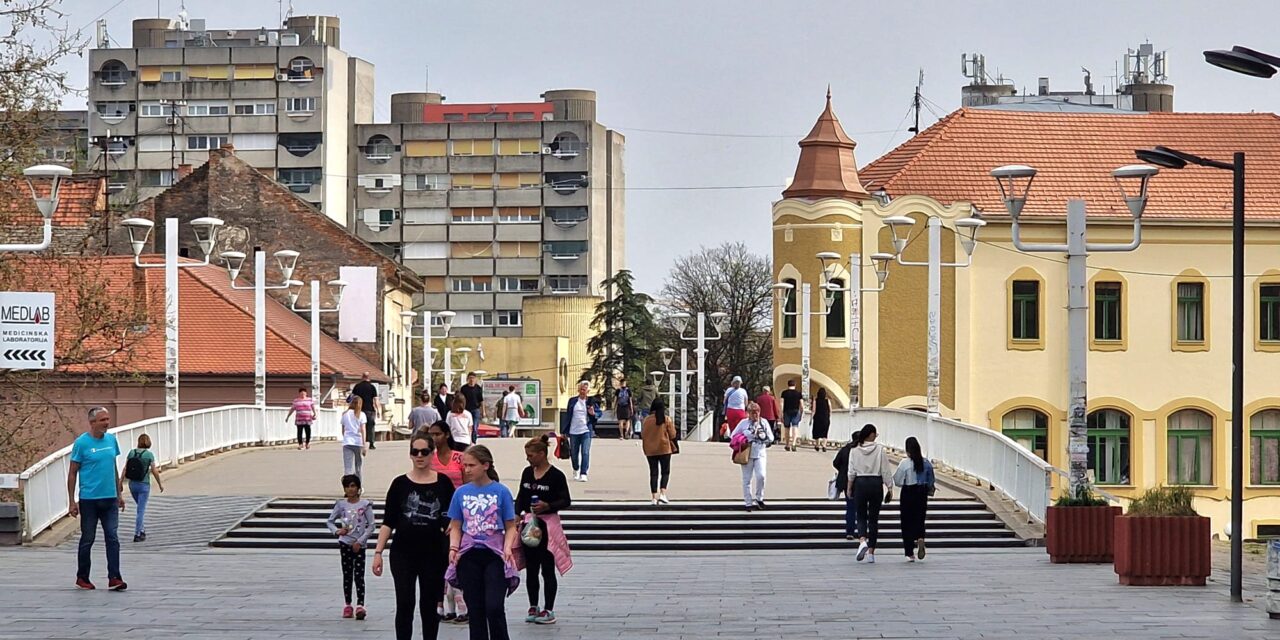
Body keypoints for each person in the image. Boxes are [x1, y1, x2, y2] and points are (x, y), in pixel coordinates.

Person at [372, 433, 457, 640]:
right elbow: (388, 521)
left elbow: (454, 519)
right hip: (403, 552)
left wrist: (454, 543)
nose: (419, 456)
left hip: (433, 553)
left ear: (432, 454)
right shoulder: (399, 484)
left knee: (429, 604)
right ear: (410, 454)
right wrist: (377, 552)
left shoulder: (444, 483)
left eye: (424, 452)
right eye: (415, 452)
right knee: (405, 603)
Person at [447, 445, 520, 640]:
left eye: (472, 465)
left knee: (494, 607)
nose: (467, 469)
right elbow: (455, 524)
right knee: (476, 610)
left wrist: (507, 547)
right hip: (469, 554)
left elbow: (511, 525)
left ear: (485, 465)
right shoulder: (461, 493)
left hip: (494, 553)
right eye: (465, 465)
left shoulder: (501, 491)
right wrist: (454, 547)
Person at [513, 435, 573, 625]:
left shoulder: (556, 476)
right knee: (531, 568)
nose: (528, 459)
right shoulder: (527, 473)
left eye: (531, 455)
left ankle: (549, 608)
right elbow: (521, 496)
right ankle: (533, 605)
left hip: (548, 525)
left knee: (547, 569)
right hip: (529, 525)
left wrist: (548, 505)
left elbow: (566, 500)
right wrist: (516, 514)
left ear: (541, 454)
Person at [67, 406, 126, 591]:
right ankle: (82, 577)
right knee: (88, 538)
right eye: (103, 420)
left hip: (109, 499)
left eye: (107, 419)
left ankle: (114, 577)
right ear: (92, 422)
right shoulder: (81, 444)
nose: (107, 423)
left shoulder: (111, 440)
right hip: (89, 499)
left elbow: (113, 467)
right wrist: (71, 501)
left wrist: (119, 493)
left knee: (112, 537)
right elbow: (72, 473)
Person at [424, 420, 467, 623]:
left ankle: (462, 605)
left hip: (459, 515)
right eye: (431, 434)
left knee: (456, 559)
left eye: (438, 434)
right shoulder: (428, 459)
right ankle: (441, 604)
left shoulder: (459, 458)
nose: (434, 438)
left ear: (447, 435)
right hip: (435, 515)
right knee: (437, 562)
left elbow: (468, 485)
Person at [327, 474, 376, 620]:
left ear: (358, 488)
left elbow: (371, 525)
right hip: (345, 543)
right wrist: (337, 531)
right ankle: (347, 604)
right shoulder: (341, 505)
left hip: (359, 545)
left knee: (359, 575)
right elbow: (330, 521)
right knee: (347, 574)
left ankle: (360, 604)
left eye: (353, 486)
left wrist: (360, 541)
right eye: (348, 486)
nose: (351, 489)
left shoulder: (365, 505)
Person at [846, 424, 894, 564]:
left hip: (860, 483)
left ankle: (862, 541)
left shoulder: (854, 449)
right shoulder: (879, 449)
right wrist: (889, 487)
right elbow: (885, 470)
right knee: (873, 519)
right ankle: (871, 552)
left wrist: (849, 488)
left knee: (860, 515)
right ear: (871, 435)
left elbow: (851, 471)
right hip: (875, 483)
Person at [894, 436, 936, 562]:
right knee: (919, 518)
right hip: (921, 493)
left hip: (908, 492)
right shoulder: (926, 463)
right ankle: (920, 537)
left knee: (906, 522)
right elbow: (931, 481)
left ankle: (909, 552)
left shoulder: (904, 463)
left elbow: (897, 480)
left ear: (907, 450)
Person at [730, 402, 774, 512]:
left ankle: (759, 497)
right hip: (747, 452)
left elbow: (771, 437)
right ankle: (748, 502)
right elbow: (733, 435)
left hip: (760, 452)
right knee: (747, 479)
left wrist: (763, 438)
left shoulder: (763, 422)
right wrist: (744, 437)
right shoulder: (743, 423)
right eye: (753, 412)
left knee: (761, 476)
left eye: (757, 412)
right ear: (748, 413)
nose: (755, 415)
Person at [121, 433, 163, 543]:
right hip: (144, 485)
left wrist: (120, 482)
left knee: (140, 508)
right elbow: (154, 470)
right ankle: (137, 533)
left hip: (132, 484)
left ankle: (142, 529)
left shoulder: (131, 452)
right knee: (141, 510)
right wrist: (159, 484)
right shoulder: (149, 455)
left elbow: (125, 469)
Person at [560, 381, 599, 482]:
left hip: (586, 430)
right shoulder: (572, 401)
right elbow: (568, 416)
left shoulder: (591, 402)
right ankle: (576, 469)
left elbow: (598, 414)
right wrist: (564, 431)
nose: (582, 391)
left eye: (584, 390)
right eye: (581, 389)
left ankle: (583, 473)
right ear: (578, 390)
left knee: (585, 452)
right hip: (574, 431)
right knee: (574, 453)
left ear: (588, 391)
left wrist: (593, 413)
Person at [641, 399, 678, 505]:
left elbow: (643, 434)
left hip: (650, 450)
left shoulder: (646, 420)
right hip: (664, 448)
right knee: (665, 472)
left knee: (653, 473)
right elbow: (673, 434)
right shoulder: (666, 419)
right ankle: (663, 493)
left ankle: (653, 497)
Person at [832, 439, 857, 539]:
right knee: (860, 508)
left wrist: (842, 470)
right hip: (859, 481)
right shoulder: (861, 451)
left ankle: (849, 531)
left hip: (845, 481)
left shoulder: (845, 449)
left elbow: (835, 462)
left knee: (850, 506)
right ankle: (861, 531)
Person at [352, 372, 382, 450]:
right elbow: (376, 400)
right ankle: (371, 443)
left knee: (359, 426)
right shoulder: (372, 387)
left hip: (359, 409)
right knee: (370, 426)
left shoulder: (357, 386)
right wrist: (378, 410)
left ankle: (359, 442)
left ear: (362, 377)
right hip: (370, 410)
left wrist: (351, 407)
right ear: (369, 378)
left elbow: (352, 398)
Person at [341, 397, 368, 478]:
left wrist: (346, 437)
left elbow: (343, 430)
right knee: (358, 467)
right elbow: (363, 429)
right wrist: (364, 444)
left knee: (348, 467)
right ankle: (359, 487)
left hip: (347, 442)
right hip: (358, 442)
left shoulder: (345, 414)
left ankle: (347, 486)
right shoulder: (361, 414)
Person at [459, 373, 485, 442]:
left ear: (475, 379)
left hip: (475, 410)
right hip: (466, 410)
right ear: (467, 379)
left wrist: (483, 411)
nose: (471, 379)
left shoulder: (478, 388)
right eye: (470, 378)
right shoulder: (464, 388)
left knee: (475, 427)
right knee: (466, 427)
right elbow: (461, 400)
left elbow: (481, 400)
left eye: (473, 378)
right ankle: (467, 440)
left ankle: (473, 441)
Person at [779, 379, 803, 452]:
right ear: (794, 385)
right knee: (795, 427)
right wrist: (801, 412)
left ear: (788, 385)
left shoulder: (784, 393)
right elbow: (801, 405)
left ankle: (787, 444)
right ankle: (794, 444)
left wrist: (781, 413)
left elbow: (781, 403)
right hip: (796, 411)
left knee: (787, 428)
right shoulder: (798, 393)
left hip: (786, 411)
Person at [811, 387, 832, 452]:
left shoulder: (815, 400)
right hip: (825, 418)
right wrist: (828, 416)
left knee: (817, 432)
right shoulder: (827, 400)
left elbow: (813, 410)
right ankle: (824, 446)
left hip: (817, 418)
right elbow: (830, 409)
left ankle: (817, 445)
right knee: (825, 432)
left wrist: (811, 418)